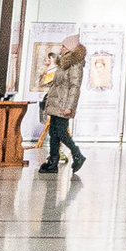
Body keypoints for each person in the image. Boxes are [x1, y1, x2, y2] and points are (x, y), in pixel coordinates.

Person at [38, 33, 88, 173]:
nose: (61, 49)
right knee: (54, 133)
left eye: (63, 46)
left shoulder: (75, 64)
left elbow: (74, 87)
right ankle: (53, 162)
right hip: (56, 102)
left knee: (61, 132)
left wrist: (69, 107)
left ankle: (77, 154)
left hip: (63, 104)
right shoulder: (63, 62)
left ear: (70, 48)